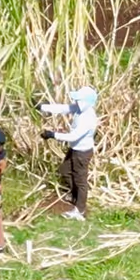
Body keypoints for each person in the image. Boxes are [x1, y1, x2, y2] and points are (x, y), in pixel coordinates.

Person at [39, 87, 100, 221]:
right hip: (75, 149)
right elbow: (64, 108)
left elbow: (73, 137)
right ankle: (75, 196)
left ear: (87, 102)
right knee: (65, 171)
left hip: (82, 153)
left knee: (80, 181)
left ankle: (80, 210)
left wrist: (52, 135)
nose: (76, 102)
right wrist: (43, 107)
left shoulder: (88, 118)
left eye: (79, 100)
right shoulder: (80, 109)